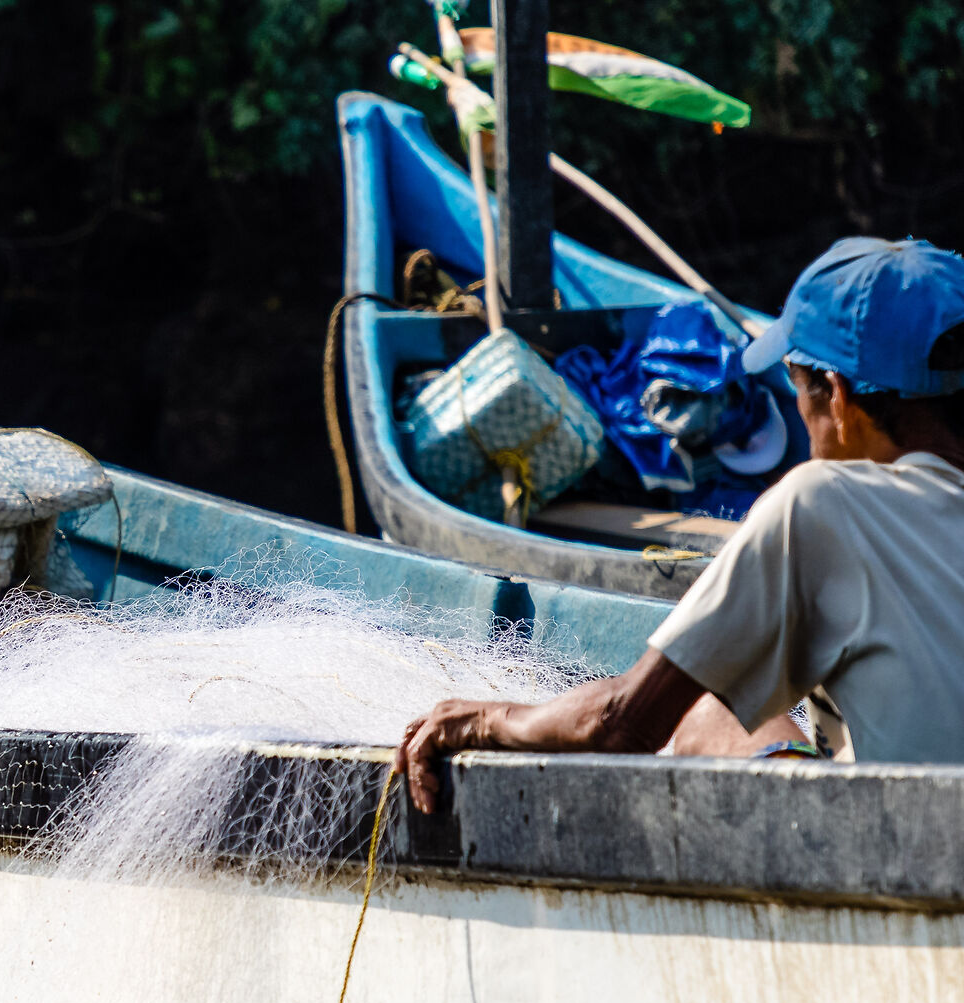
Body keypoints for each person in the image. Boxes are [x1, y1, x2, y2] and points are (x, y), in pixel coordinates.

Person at [400, 236, 964, 811]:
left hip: (902, 846)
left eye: (798, 388)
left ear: (838, 398)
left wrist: (485, 720)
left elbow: (623, 726)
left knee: (710, 710)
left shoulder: (820, 501)